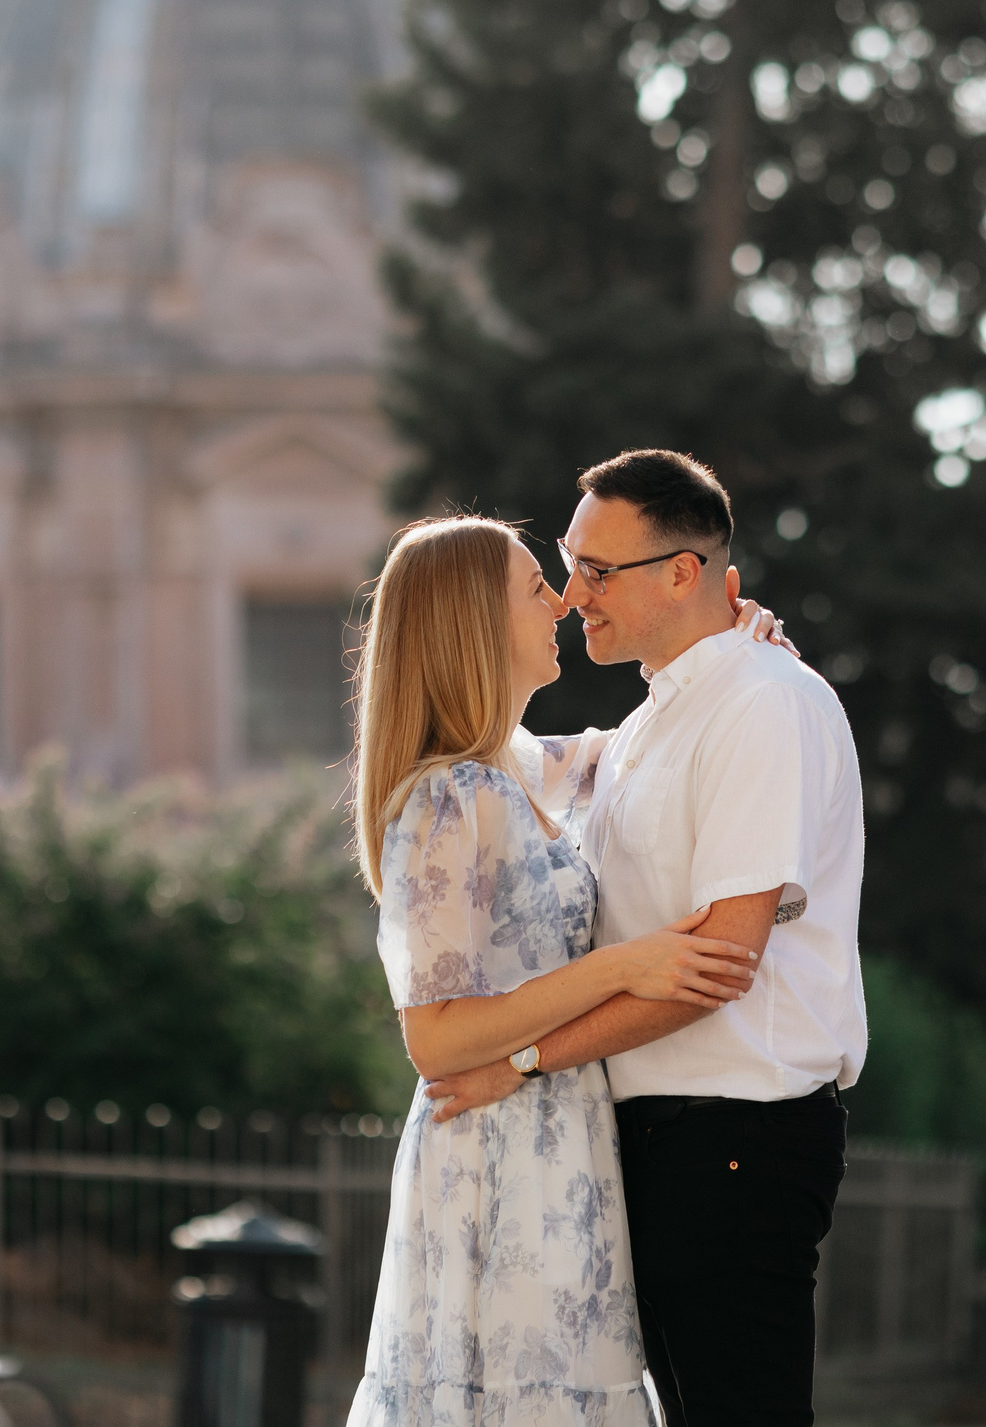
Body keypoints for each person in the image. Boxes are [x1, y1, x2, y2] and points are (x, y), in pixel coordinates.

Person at [422, 451, 867, 1427]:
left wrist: (524, 1062)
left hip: (736, 1137)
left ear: (681, 572)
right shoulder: (649, 726)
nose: (574, 592)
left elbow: (716, 967)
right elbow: (496, 760)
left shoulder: (762, 702)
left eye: (596, 570)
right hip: (662, 1139)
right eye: (570, 566)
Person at [347, 513, 788, 1427]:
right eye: (532, 587)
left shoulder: (512, 771)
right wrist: (627, 967)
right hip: (496, 1163)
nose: (561, 600)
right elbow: (434, 1037)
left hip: (562, 1148)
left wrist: (727, 648)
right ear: (475, 620)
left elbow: (650, 743)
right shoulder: (446, 796)